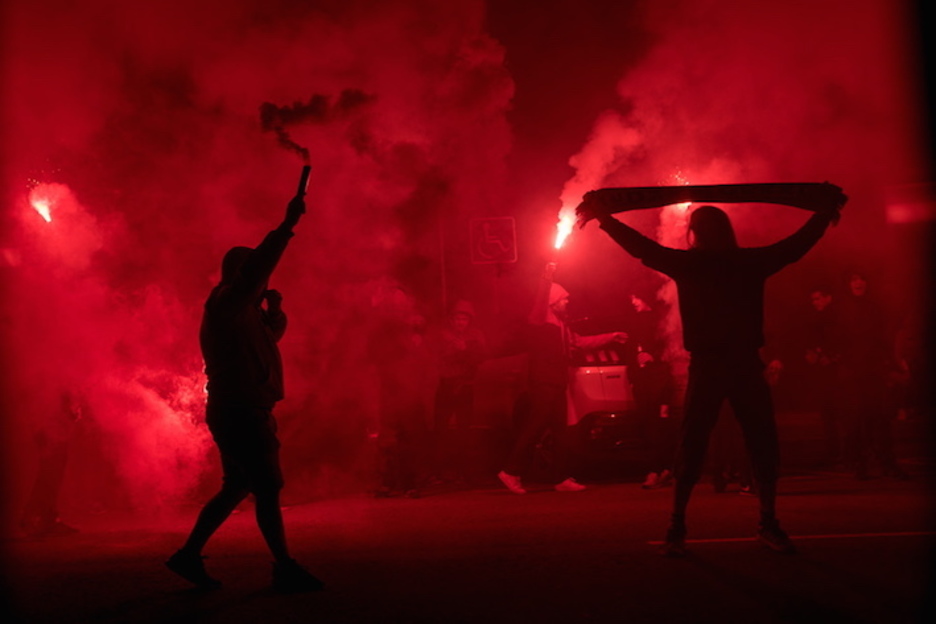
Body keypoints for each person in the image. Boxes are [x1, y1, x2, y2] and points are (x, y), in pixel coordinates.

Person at [578, 191, 844, 556]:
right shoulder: (750, 262)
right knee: (761, 441)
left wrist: (605, 220)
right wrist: (822, 214)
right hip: (744, 362)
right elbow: (794, 247)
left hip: (709, 364)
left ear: (695, 233)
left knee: (693, 442)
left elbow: (642, 248)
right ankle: (766, 521)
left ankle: (677, 523)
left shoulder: (691, 265)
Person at [166, 194, 322, 593]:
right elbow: (255, 271)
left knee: (237, 486)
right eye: (254, 275)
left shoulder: (244, 312)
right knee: (267, 486)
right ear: (241, 275)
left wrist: (274, 313)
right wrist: (286, 227)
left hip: (242, 409)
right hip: (240, 411)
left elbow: (268, 343)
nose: (263, 281)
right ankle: (284, 566)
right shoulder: (226, 303)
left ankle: (188, 555)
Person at [497, 262, 628, 494]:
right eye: (564, 299)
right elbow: (539, 302)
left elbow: (580, 343)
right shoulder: (540, 321)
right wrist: (546, 277)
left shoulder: (562, 327)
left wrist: (611, 336)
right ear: (553, 301)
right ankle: (510, 471)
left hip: (557, 384)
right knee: (534, 427)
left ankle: (560, 478)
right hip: (543, 383)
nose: (567, 303)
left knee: (561, 431)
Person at [833, 271, 908, 480]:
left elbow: (881, 339)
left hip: (872, 370)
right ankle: (859, 463)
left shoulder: (874, 308)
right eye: (854, 279)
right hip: (852, 372)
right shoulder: (841, 309)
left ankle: (886, 462)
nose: (858, 282)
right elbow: (835, 338)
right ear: (848, 284)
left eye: (862, 278)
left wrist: (892, 364)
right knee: (857, 419)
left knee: (880, 417)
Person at [430, 299, 488, 484]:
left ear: (469, 321)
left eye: (463, 319)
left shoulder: (476, 336)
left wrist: (464, 350)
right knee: (441, 429)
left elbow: (481, 357)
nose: (460, 323)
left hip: (465, 386)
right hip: (446, 385)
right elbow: (435, 358)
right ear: (451, 320)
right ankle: (438, 471)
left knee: (465, 430)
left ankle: (465, 472)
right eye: (457, 319)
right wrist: (451, 351)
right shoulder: (442, 336)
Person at [802, 286, 844, 468]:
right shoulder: (817, 319)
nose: (815, 303)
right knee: (827, 413)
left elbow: (845, 343)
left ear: (829, 298)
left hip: (839, 374)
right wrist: (812, 354)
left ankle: (845, 452)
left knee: (840, 413)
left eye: (818, 298)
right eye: (813, 300)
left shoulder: (837, 318)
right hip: (825, 374)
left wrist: (833, 356)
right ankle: (834, 452)